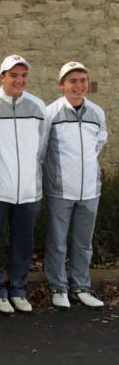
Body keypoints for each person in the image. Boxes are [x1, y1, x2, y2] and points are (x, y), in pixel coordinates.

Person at [0, 55, 47, 315]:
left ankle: (18, 289)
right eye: (13, 75)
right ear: (2, 77)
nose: (19, 80)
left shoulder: (38, 106)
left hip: (29, 191)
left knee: (23, 243)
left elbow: (41, 148)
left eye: (23, 76)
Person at [44, 61, 107, 309]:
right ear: (62, 85)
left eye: (83, 80)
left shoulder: (97, 113)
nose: (79, 86)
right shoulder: (51, 113)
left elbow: (98, 144)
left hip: (90, 189)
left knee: (84, 242)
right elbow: (43, 151)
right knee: (57, 242)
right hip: (61, 188)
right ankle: (58, 287)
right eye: (72, 81)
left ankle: (81, 287)